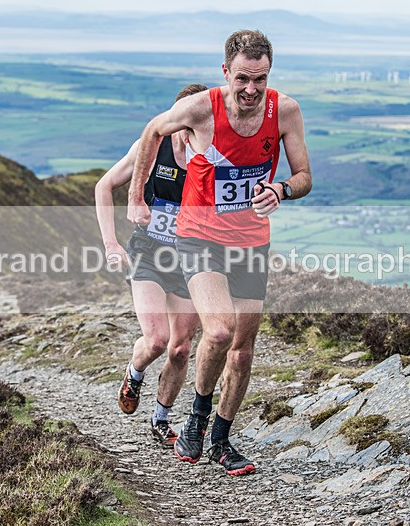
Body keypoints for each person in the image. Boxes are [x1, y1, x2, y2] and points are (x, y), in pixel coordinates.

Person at [127, 30, 312, 475]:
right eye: (243, 79)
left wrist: (282, 190)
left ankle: (221, 440)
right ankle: (196, 419)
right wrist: (137, 196)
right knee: (219, 333)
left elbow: (305, 175)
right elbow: (153, 130)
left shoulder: (284, 111)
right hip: (200, 237)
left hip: (250, 240)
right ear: (225, 71)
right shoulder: (200, 108)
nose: (251, 90)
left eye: (261, 79)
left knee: (243, 351)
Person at [95, 83, 207, 447]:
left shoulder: (212, 156)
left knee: (180, 348)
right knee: (157, 340)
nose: (188, 133)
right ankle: (135, 371)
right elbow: (104, 185)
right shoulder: (152, 147)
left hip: (189, 259)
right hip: (148, 252)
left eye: (197, 126)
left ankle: (161, 418)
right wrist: (111, 243)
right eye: (182, 124)